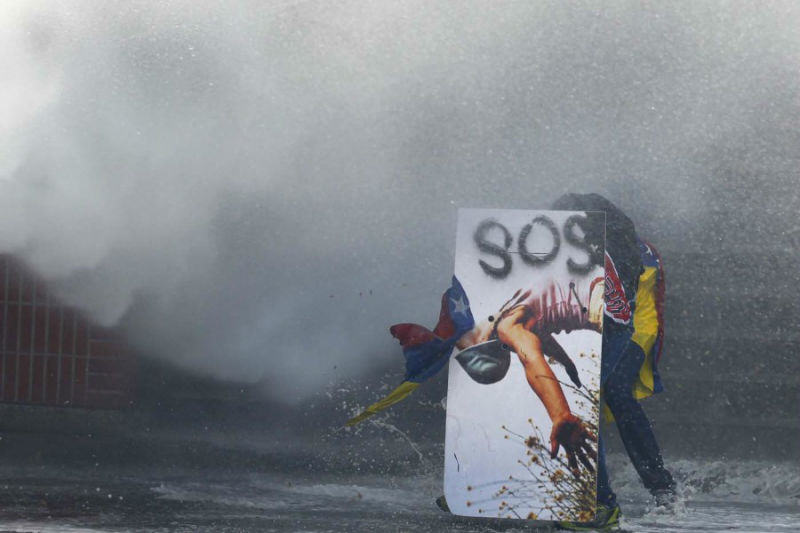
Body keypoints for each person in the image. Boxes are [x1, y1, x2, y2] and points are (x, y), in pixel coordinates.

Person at [551, 193, 676, 531]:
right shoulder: (573, 243)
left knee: (617, 392)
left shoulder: (641, 251)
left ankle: (660, 485)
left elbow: (647, 309)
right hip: (596, 325)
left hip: (637, 330)